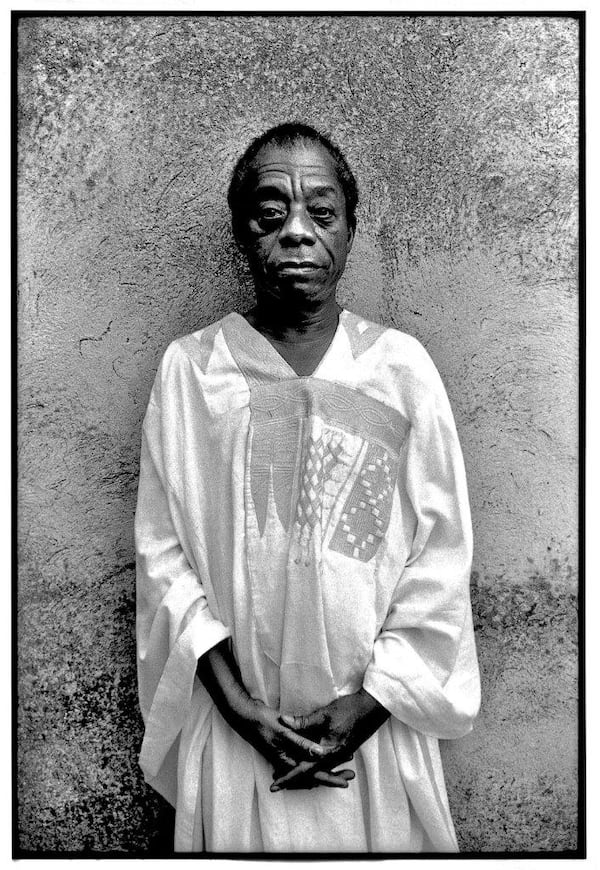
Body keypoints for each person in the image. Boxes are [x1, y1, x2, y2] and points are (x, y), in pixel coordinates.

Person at [135, 122, 481, 853]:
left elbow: (440, 557)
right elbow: (163, 556)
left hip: (373, 740)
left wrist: (373, 704)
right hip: (236, 736)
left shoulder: (401, 370)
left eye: (321, 213)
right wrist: (236, 707)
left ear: (350, 231)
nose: (296, 233)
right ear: (241, 233)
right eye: (271, 213)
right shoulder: (192, 373)